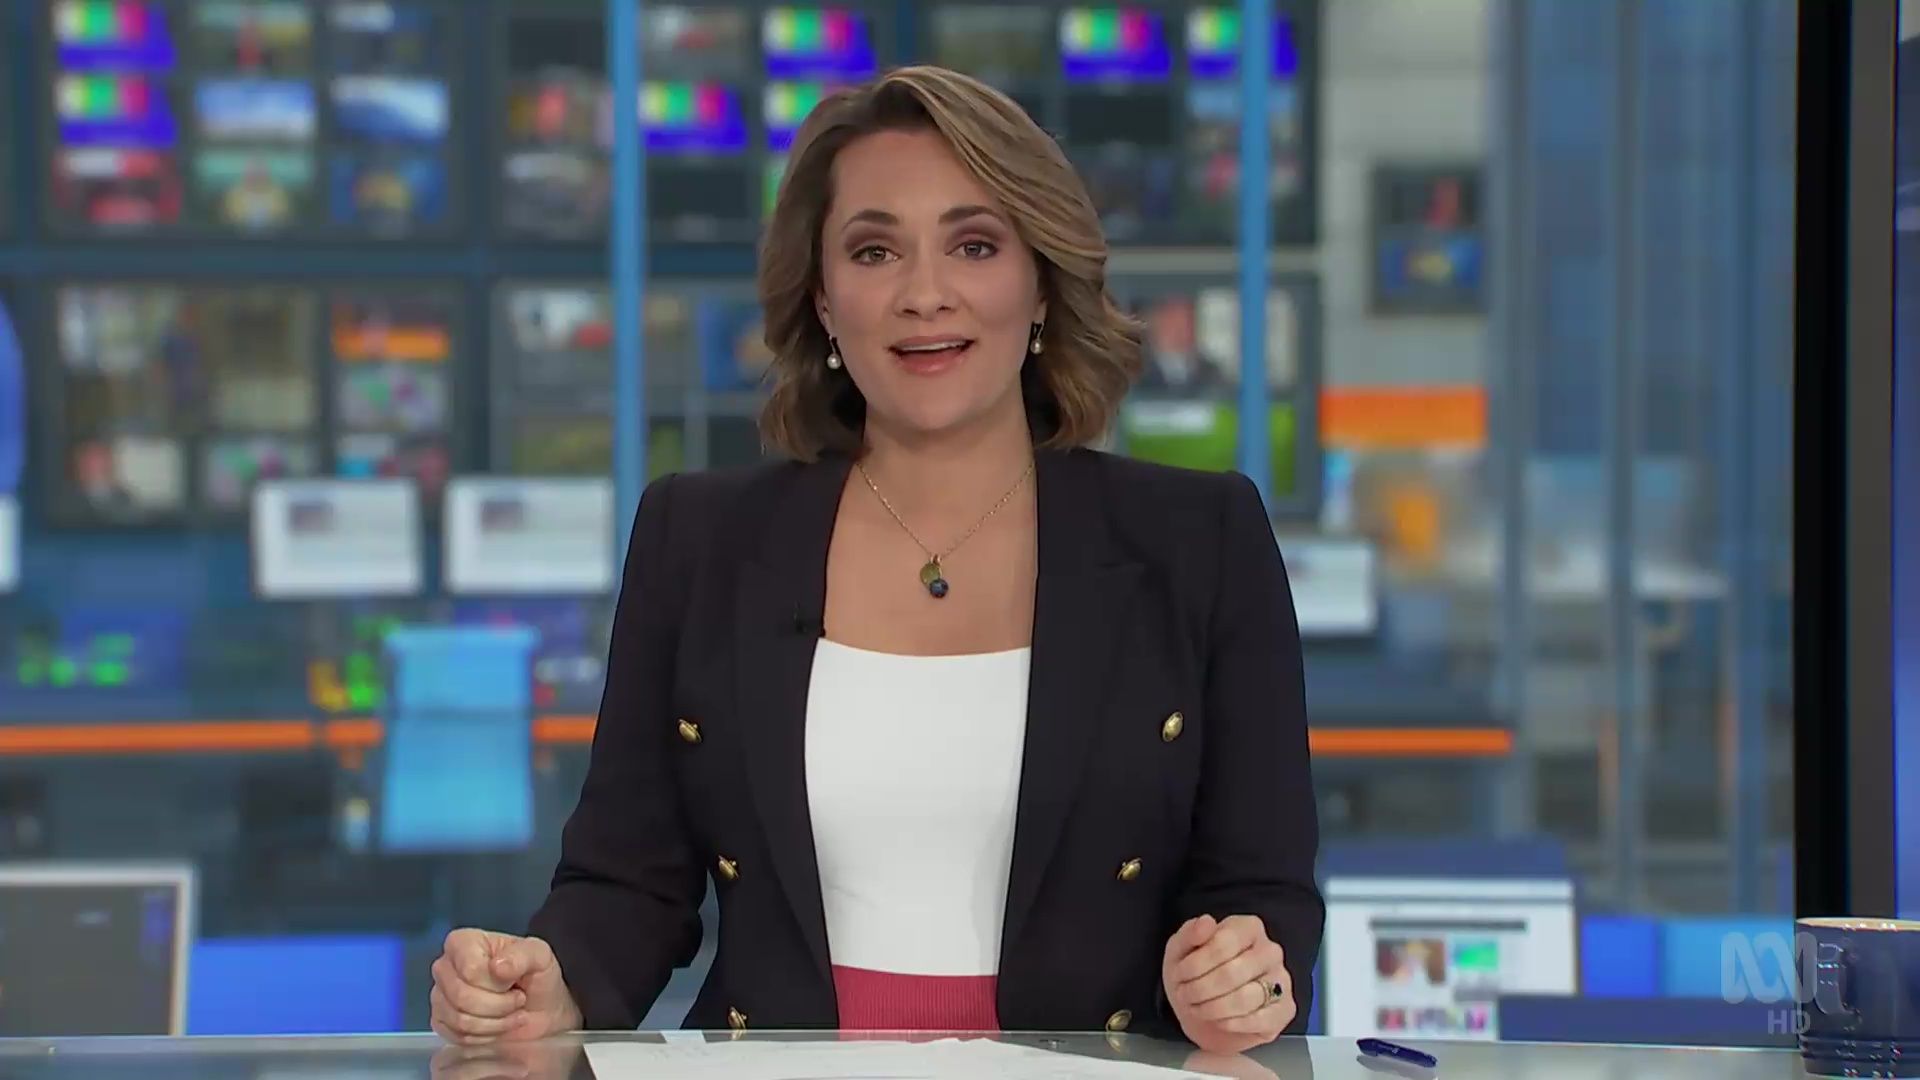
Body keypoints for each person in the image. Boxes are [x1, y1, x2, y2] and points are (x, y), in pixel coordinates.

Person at [429, 65, 1322, 1056]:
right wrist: (550, 984)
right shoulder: (699, 538)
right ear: (822, 298)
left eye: (974, 245)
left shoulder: (1199, 540)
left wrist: (1237, 980)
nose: (924, 295)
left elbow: (1261, 891)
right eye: (874, 251)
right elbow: (627, 882)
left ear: (1039, 284)